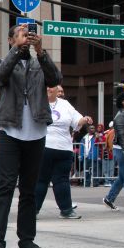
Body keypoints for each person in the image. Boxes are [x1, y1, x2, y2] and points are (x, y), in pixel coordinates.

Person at [0, 24, 62, 248]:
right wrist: (18, 51)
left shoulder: (39, 61)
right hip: (10, 130)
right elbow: (0, 77)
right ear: (11, 40)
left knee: (29, 189)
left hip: (37, 132)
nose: (25, 35)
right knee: (5, 187)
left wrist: (40, 51)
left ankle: (27, 239)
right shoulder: (1, 61)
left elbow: (55, 79)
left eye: (27, 32)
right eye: (19, 33)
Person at [35, 86, 92, 219]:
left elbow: (77, 121)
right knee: (41, 180)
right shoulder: (36, 101)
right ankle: (33, 210)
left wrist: (85, 119)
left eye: (53, 88)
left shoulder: (65, 104)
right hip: (43, 146)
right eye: (47, 87)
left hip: (64, 148)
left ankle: (66, 210)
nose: (49, 90)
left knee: (62, 180)